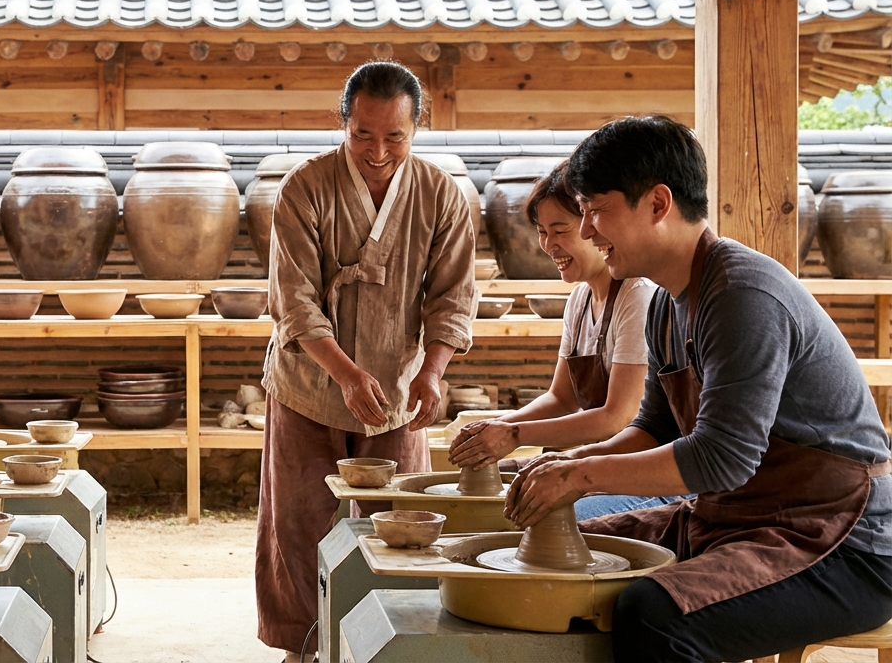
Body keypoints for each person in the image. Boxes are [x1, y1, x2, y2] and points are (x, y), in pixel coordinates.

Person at [504, 115, 892, 661]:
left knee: (651, 614)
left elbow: (723, 458)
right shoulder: (666, 300)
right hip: (739, 518)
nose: (587, 231)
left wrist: (583, 472)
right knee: (556, 558)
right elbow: (654, 428)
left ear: (658, 204)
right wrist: (567, 468)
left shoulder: (741, 294)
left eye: (596, 211)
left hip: (840, 540)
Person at [256, 61, 476, 662]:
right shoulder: (304, 188)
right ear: (343, 122)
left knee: (400, 522)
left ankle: (386, 640)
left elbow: (453, 296)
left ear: (418, 128)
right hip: (309, 379)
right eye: (363, 134)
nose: (378, 151)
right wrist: (345, 373)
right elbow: (293, 302)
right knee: (301, 521)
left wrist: (432, 371)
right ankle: (303, 645)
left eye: (395, 136)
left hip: (397, 387)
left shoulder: (441, 195)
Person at [448, 162, 675, 520]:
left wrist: (515, 435)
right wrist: (500, 429)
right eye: (542, 232)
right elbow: (562, 398)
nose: (548, 245)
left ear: (594, 225)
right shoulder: (580, 301)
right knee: (502, 490)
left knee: (552, 516)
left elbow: (617, 417)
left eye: (560, 230)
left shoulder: (638, 295)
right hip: (599, 464)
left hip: (649, 474)